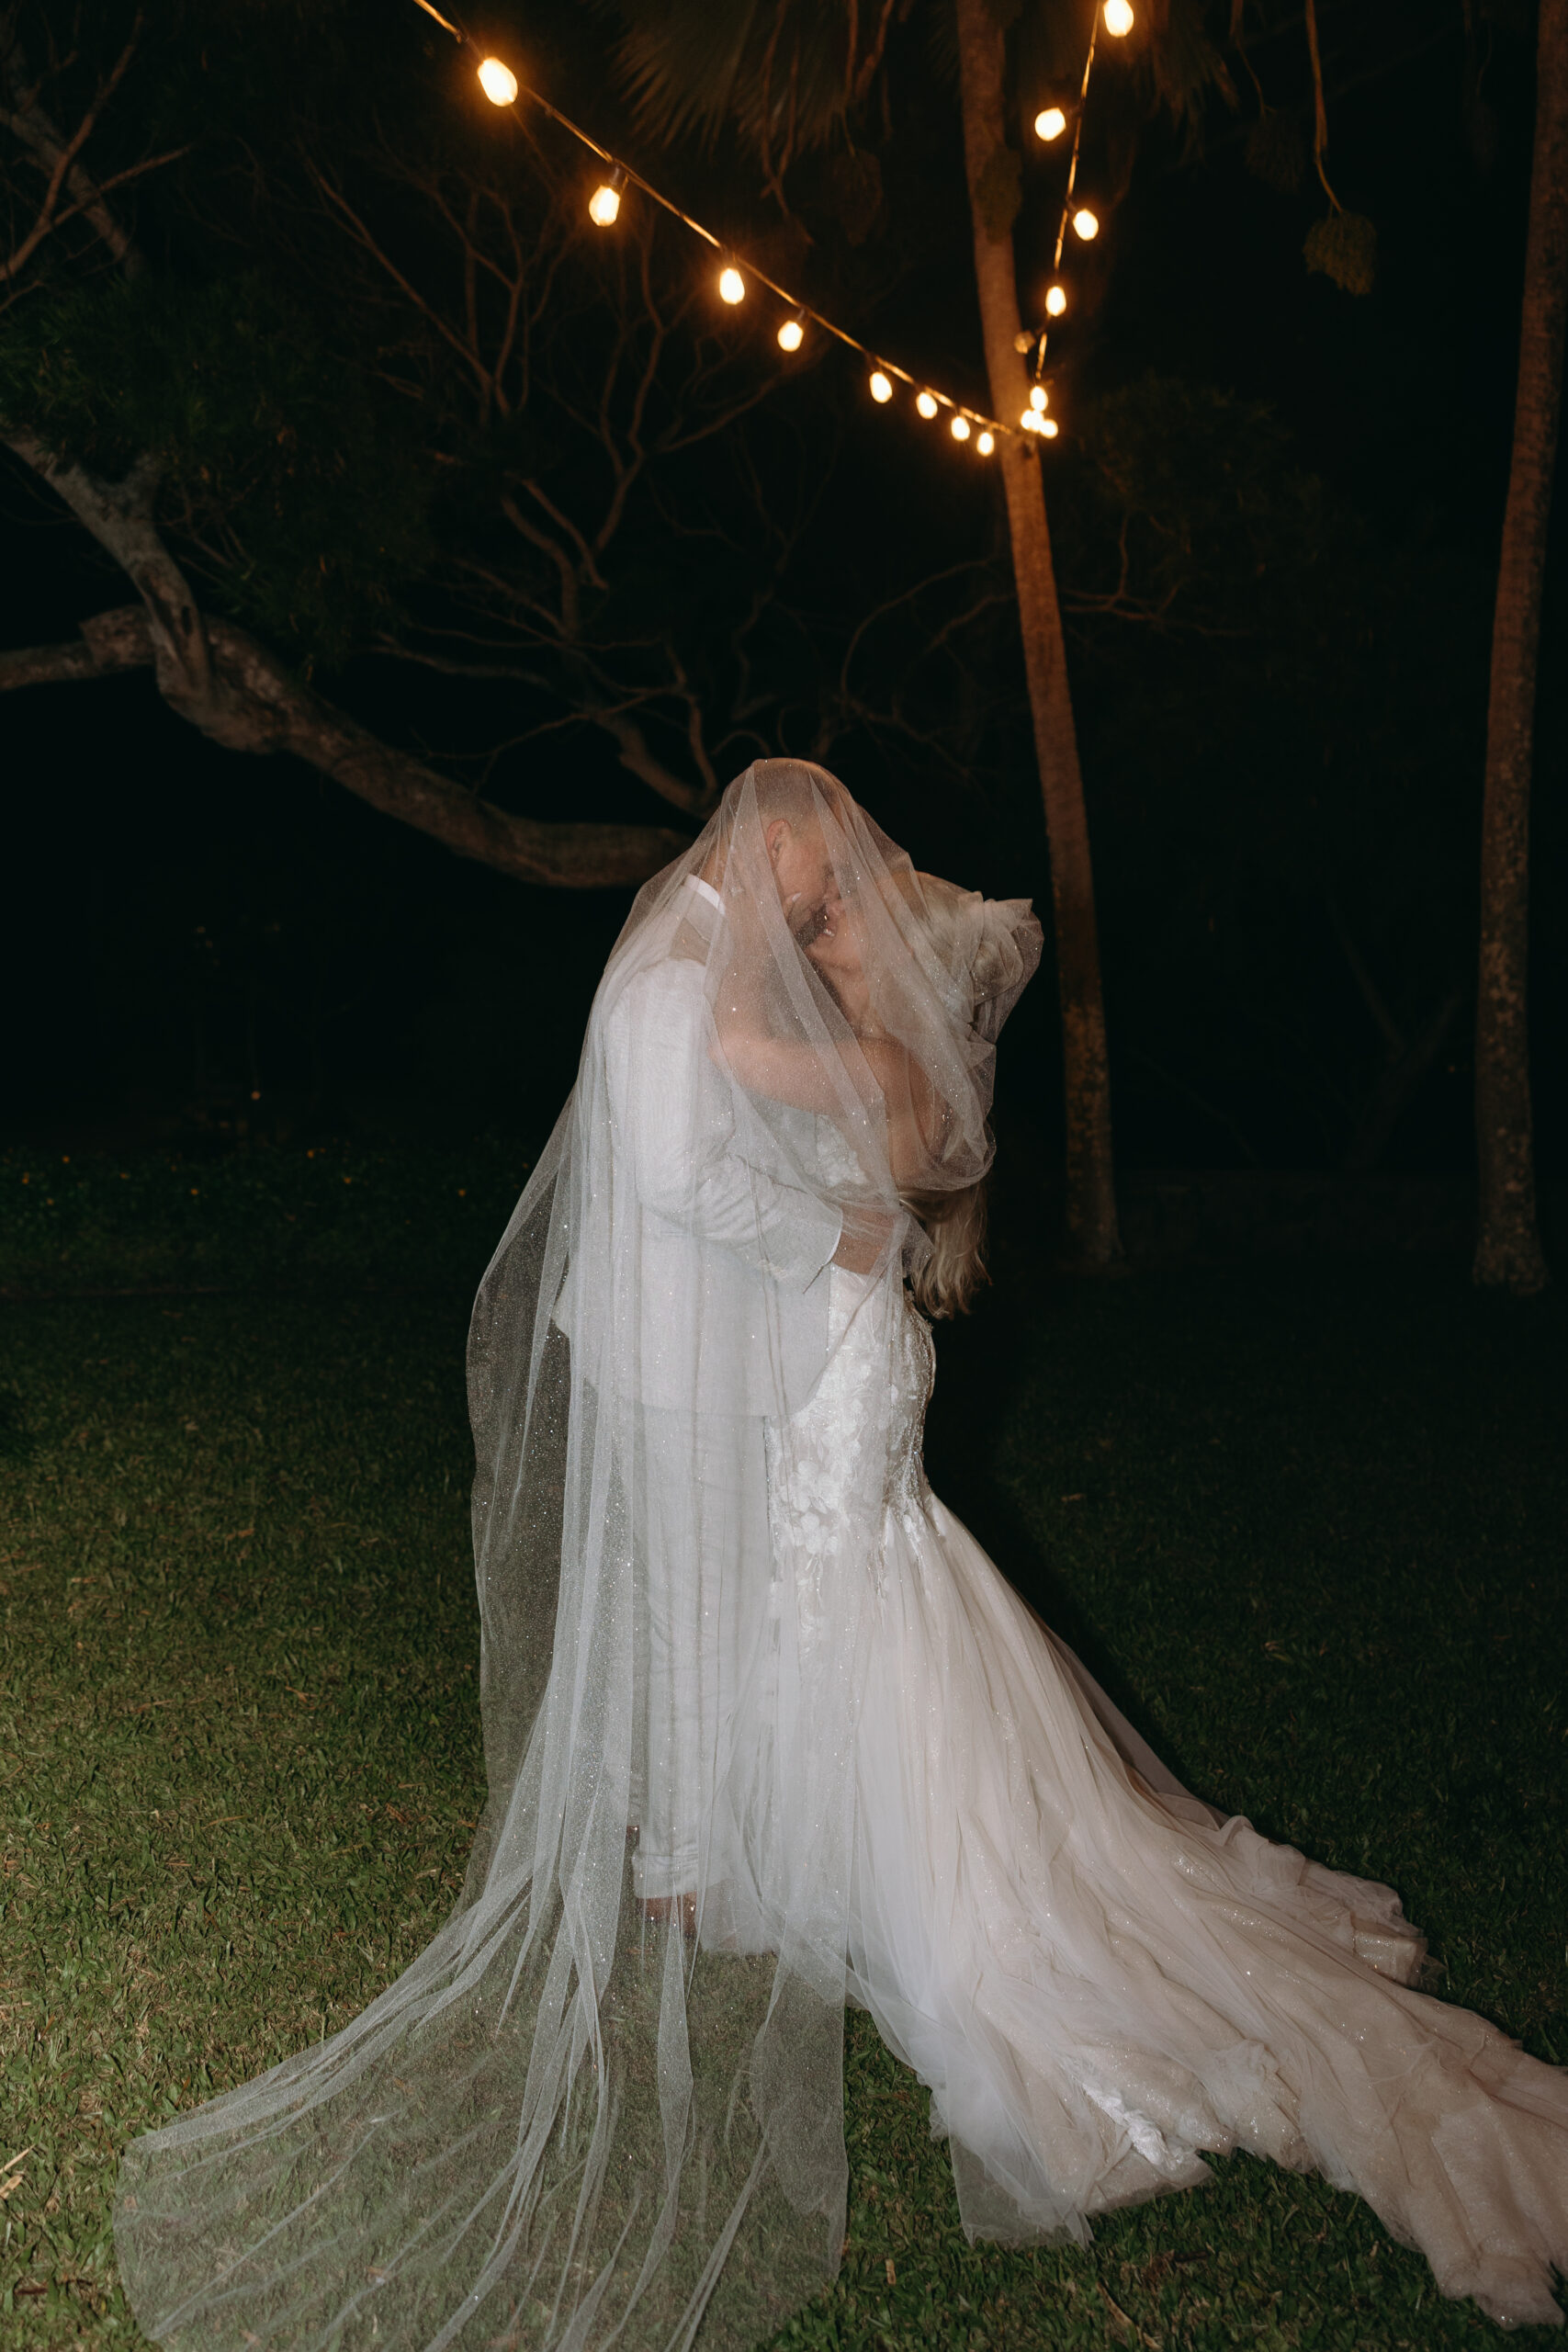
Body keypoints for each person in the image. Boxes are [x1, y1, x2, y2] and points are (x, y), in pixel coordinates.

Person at [113, 763, 1566, 2352]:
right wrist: (840, 1229)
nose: (829, 907)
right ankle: (710, 1845)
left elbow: (802, 1146)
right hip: (727, 1351)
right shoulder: (690, 984)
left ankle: (723, 1852)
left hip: (794, 1357)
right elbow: (686, 1168)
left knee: (796, 1602)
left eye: (843, 907)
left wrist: (843, 1220)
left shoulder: (748, 988)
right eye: (824, 879)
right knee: (756, 1601)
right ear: (785, 841)